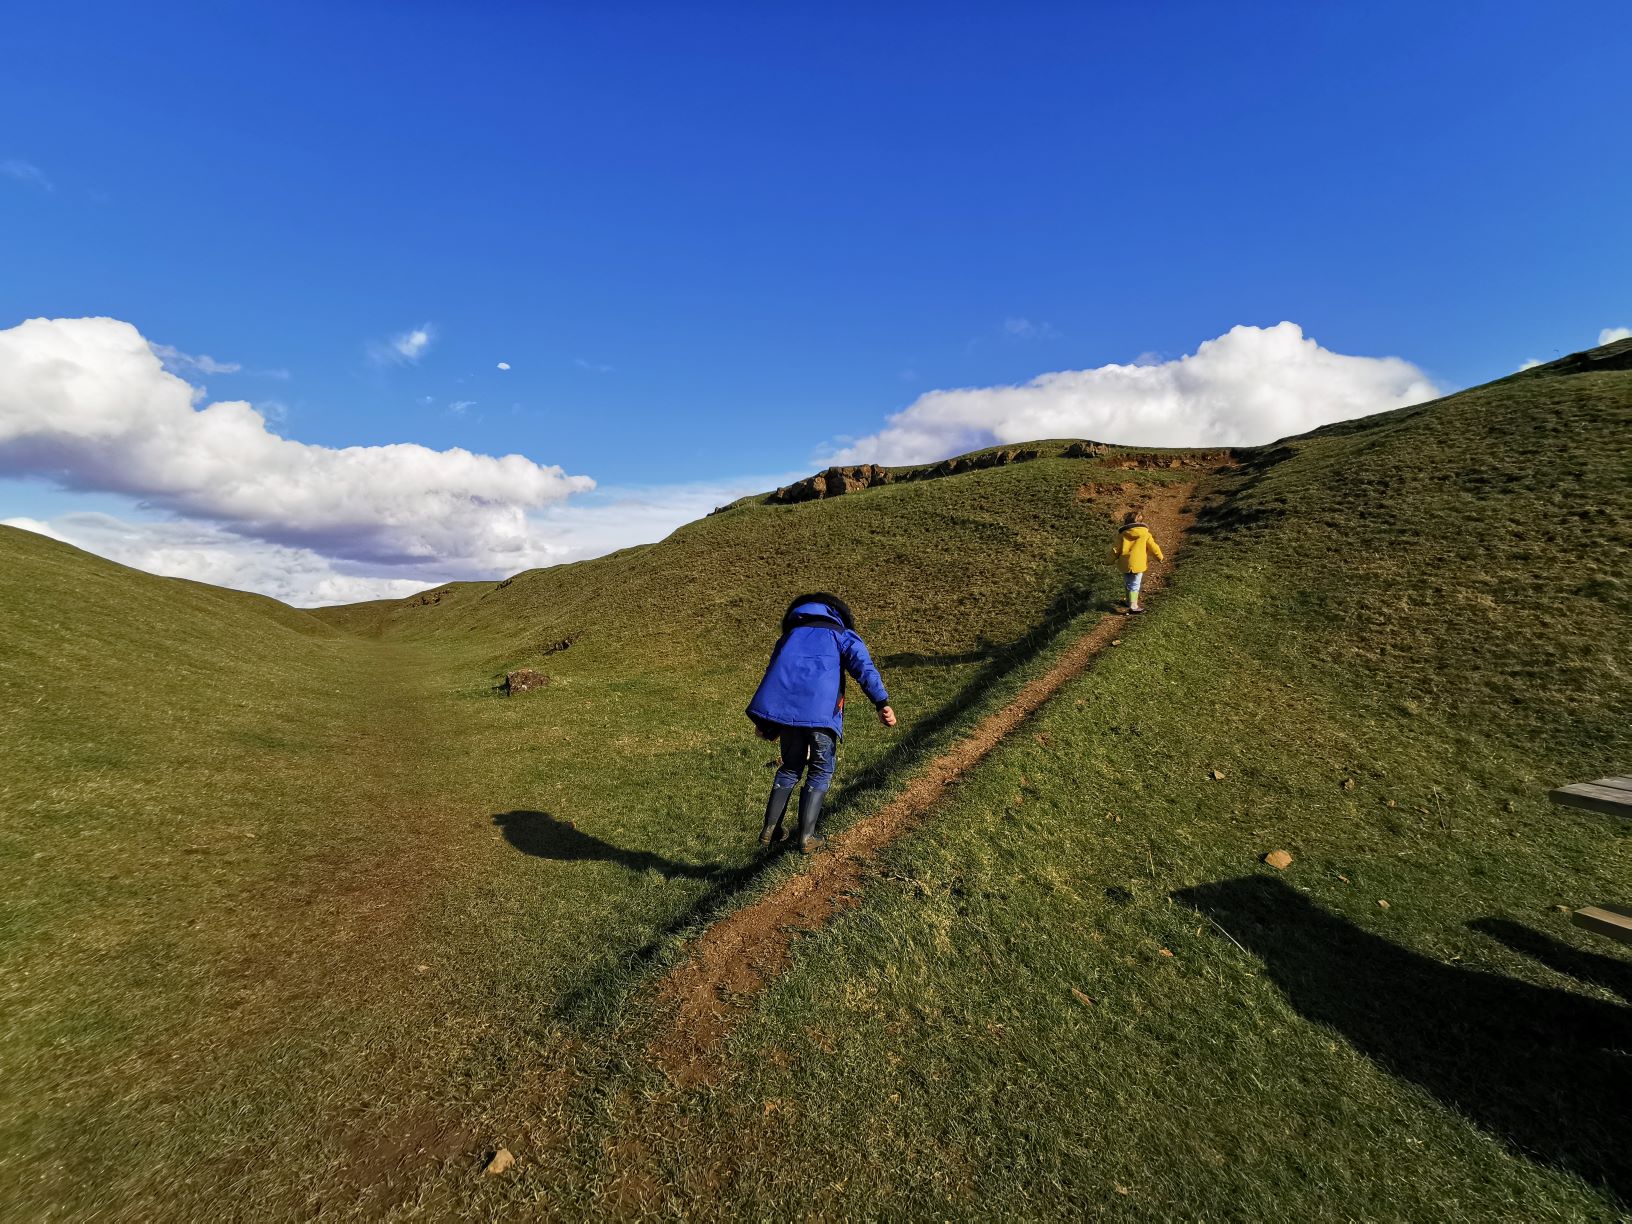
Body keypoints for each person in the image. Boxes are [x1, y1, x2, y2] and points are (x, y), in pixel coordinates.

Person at [746, 593, 896, 853]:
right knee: (820, 770)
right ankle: (807, 838)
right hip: (822, 715)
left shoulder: (788, 638)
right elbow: (864, 668)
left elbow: (773, 675)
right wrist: (881, 702)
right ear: (837, 613)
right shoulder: (841, 634)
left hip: (789, 717)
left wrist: (765, 720)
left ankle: (771, 828)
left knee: (790, 767)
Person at [1112, 510, 1164, 614]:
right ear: (1141, 522)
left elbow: (1115, 549)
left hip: (1124, 564)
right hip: (1137, 564)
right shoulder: (1145, 534)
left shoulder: (1122, 535)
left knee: (1128, 583)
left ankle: (1128, 601)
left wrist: (1108, 560)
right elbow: (1154, 548)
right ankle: (1133, 605)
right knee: (1134, 585)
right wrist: (1159, 557)